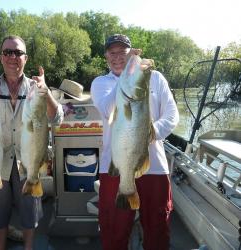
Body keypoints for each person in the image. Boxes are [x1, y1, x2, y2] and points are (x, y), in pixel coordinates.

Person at [90, 34, 179, 250]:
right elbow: (107, 109)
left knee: (158, 227)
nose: (118, 57)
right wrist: (127, 77)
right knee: (114, 228)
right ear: (105, 56)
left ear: (132, 53)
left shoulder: (155, 77)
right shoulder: (100, 83)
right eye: (113, 52)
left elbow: (172, 116)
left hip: (154, 167)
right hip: (116, 165)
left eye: (123, 52)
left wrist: (149, 133)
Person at [0, 35, 63, 250]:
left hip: (30, 160)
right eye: (8, 52)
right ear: (1, 57)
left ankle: (28, 247)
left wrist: (46, 93)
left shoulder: (37, 87)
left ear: (25, 58)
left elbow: (57, 118)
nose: (13, 57)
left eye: (18, 53)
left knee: (30, 212)